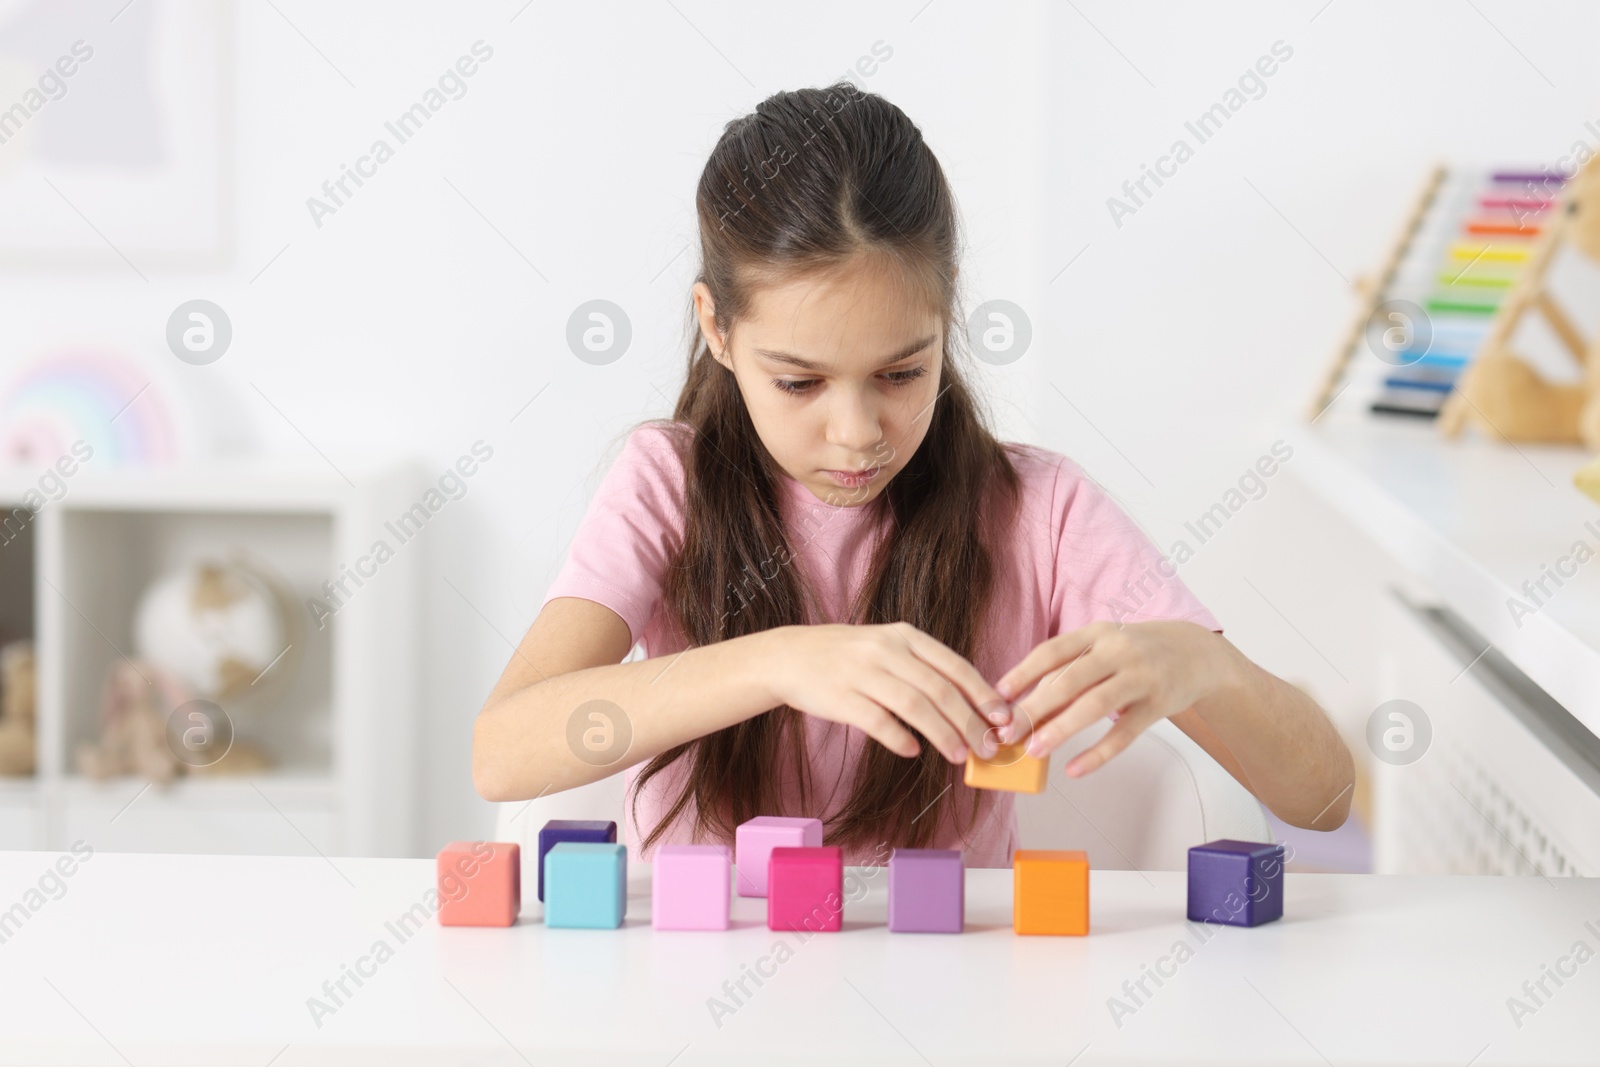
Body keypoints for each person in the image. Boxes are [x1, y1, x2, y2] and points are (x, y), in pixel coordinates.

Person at [473, 84, 1354, 867]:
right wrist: (780, 661)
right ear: (716, 325)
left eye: (901, 373)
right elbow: (502, 751)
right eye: (799, 382)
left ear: (948, 311)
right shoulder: (667, 484)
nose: (857, 434)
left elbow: (1323, 799)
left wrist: (1207, 669)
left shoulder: (1039, 512)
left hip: (946, 1004)